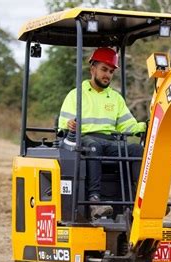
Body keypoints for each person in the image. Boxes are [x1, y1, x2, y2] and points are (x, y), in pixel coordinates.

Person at [58, 47, 146, 220]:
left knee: (136, 150)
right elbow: (63, 124)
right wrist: (70, 125)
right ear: (93, 69)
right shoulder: (76, 95)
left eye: (111, 71)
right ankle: (94, 201)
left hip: (110, 142)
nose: (108, 74)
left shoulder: (115, 98)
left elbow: (127, 125)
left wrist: (145, 126)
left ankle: (140, 200)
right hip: (83, 141)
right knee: (94, 146)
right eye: (104, 69)